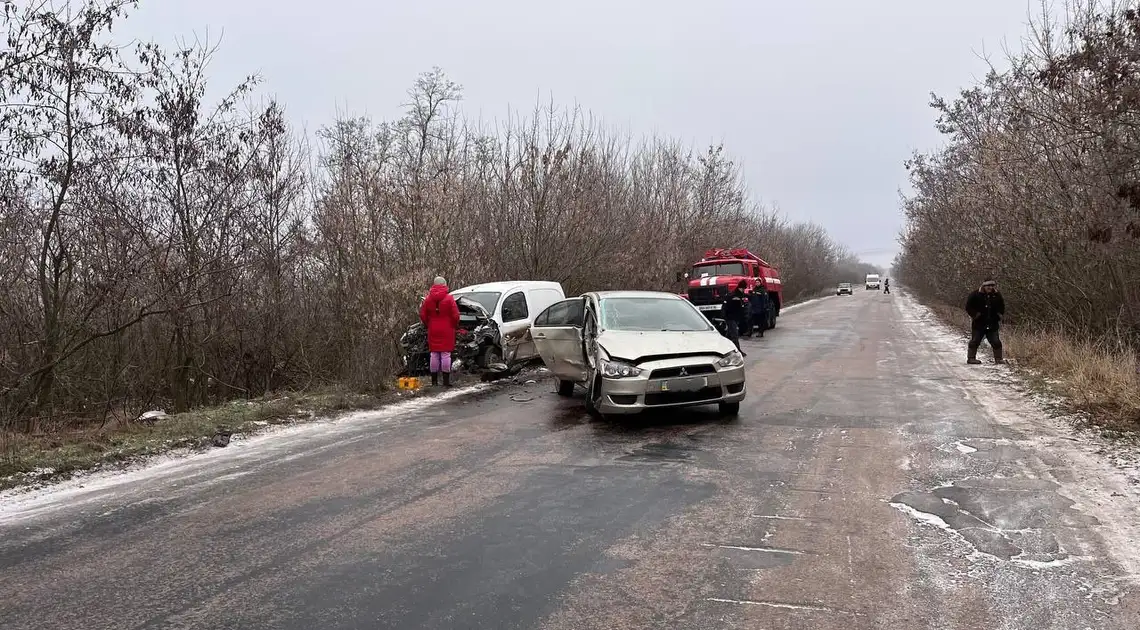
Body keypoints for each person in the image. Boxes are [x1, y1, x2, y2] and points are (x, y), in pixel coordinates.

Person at [419, 276, 460, 386]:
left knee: (434, 353)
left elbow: (422, 314)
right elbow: (456, 315)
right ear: (444, 285)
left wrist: (428, 323)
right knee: (446, 353)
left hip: (433, 328)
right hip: (447, 328)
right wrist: (454, 325)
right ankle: (446, 381)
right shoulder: (449, 298)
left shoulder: (428, 299)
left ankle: (434, 381)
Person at [965, 279, 1005, 365]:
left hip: (993, 323)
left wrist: (999, 315)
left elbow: (1002, 306)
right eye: (988, 286)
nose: (990, 287)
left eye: (992, 286)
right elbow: (968, 307)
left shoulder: (997, 295)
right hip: (979, 323)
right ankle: (971, 358)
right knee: (975, 341)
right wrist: (976, 315)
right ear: (984, 286)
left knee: (996, 342)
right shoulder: (975, 294)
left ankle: (998, 359)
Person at [721, 281, 748, 357]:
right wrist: (724, 316)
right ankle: (738, 351)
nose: (744, 290)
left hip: (736, 318)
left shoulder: (741, 295)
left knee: (729, 335)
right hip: (730, 318)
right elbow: (725, 306)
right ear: (740, 287)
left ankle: (723, 348)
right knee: (734, 335)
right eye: (743, 288)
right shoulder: (732, 296)